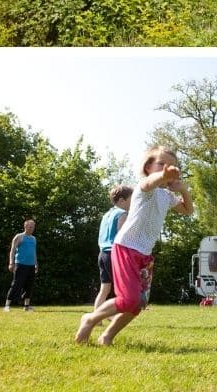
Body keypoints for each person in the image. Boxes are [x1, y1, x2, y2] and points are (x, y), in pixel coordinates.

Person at [75, 146, 194, 346]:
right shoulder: (143, 187)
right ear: (148, 167)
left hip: (144, 254)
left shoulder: (166, 196)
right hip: (126, 248)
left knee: (138, 304)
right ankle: (90, 319)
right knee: (128, 300)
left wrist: (183, 189)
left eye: (172, 166)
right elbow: (151, 181)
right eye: (162, 164)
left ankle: (107, 336)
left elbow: (188, 210)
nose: (168, 169)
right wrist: (163, 175)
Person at [94, 185, 133, 310]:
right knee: (121, 288)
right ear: (122, 200)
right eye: (131, 199)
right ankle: (114, 316)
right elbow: (123, 235)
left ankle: (97, 318)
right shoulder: (122, 214)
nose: (133, 202)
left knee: (104, 288)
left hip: (102, 254)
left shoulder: (107, 214)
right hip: (114, 254)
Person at [4, 218, 38, 312]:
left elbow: (34, 252)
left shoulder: (33, 239)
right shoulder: (19, 237)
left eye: (33, 227)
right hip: (20, 264)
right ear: (25, 226)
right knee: (16, 284)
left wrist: (36, 264)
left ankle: (26, 306)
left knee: (29, 286)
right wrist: (11, 263)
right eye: (30, 227)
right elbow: (12, 250)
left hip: (31, 265)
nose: (32, 228)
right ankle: (7, 306)